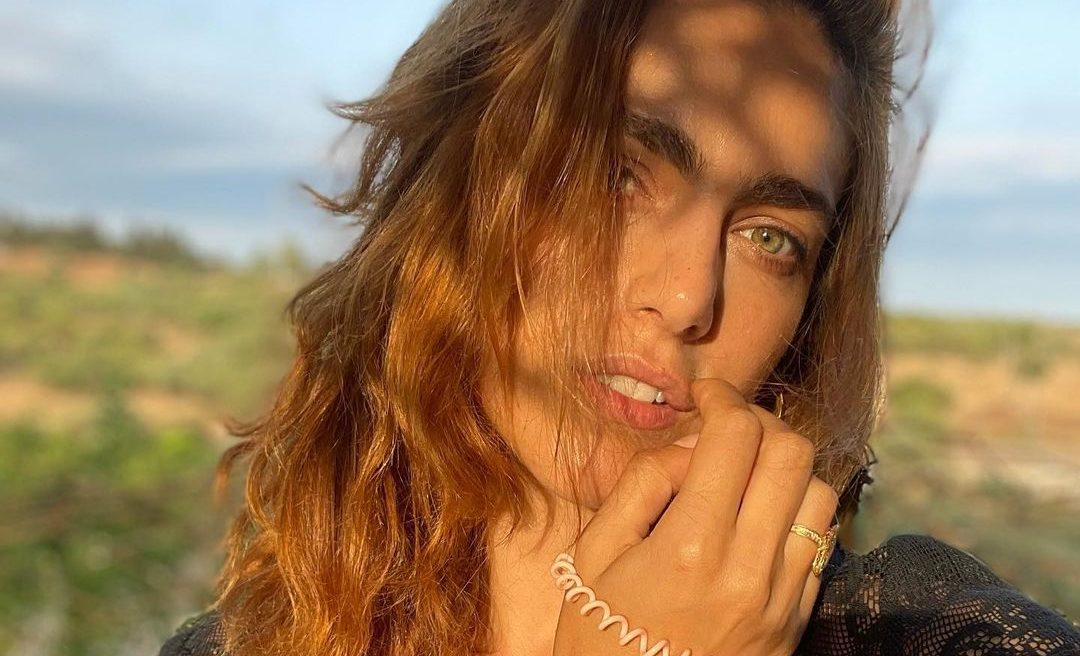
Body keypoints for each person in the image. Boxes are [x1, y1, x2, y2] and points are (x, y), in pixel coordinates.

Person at [159, 0, 1080, 655]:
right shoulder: (246, 642)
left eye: (770, 238)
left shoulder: (916, 630)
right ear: (457, 192)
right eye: (614, 177)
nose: (687, 298)